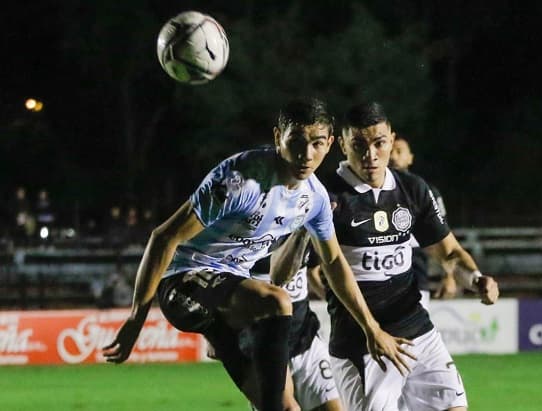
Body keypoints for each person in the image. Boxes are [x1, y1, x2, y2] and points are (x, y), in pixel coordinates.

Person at [102, 98, 412, 411]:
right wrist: (135, 320)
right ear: (278, 137)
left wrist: (371, 328)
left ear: (330, 143)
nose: (306, 154)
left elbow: (333, 261)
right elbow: (164, 237)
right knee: (277, 300)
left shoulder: (314, 198)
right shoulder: (241, 180)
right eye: (296, 141)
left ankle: (225, 339)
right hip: (184, 283)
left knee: (286, 407)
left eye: (317, 143)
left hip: (231, 305)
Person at [318, 102, 499, 411]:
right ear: (343, 145)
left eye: (379, 143)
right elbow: (329, 267)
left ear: (391, 140)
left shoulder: (412, 189)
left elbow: (449, 252)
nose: (371, 154)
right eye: (359, 145)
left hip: (418, 332)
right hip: (363, 343)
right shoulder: (327, 197)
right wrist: (372, 329)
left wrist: (475, 278)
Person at [247, 237, 343, 411]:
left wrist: (337, 302)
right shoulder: (253, 235)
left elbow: (312, 272)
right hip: (264, 347)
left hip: (305, 340)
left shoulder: (305, 229)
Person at [388, 137, 456, 307]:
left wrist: (449, 276)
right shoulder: (366, 191)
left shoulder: (425, 191)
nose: (393, 156)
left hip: (415, 274)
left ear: (410, 158)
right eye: (390, 151)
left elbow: (442, 237)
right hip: (376, 276)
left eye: (399, 151)